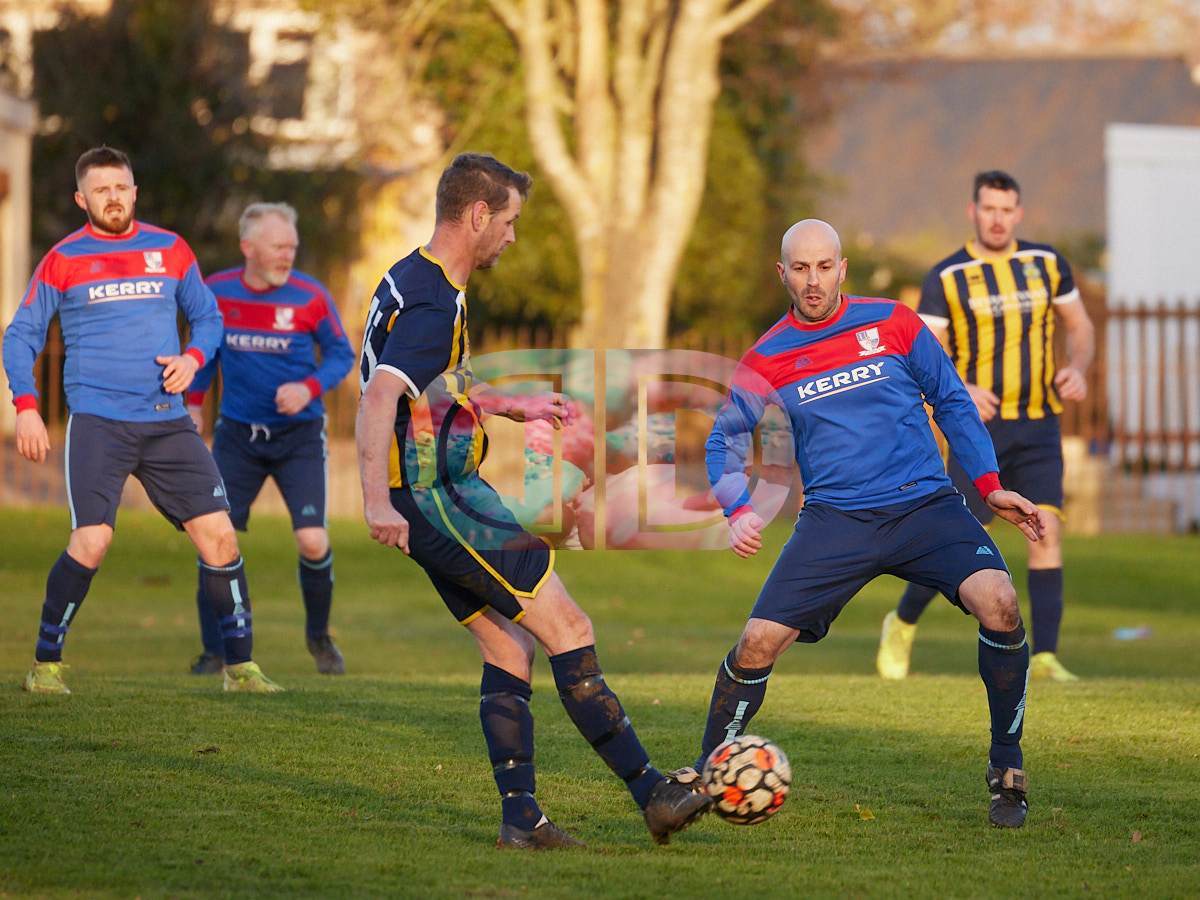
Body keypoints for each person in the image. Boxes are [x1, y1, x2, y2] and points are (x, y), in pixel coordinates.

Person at [356, 152, 710, 848]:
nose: (512, 237)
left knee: (508, 645)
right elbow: (377, 398)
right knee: (568, 626)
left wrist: (509, 404)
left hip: (435, 494)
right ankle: (654, 794)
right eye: (509, 221)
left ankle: (522, 821)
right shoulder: (433, 303)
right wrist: (377, 502)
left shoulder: (419, 278)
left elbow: (435, 386)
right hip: (441, 499)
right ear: (477, 215)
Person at [675, 219, 1047, 828]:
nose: (813, 281)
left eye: (824, 267)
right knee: (758, 642)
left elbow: (952, 400)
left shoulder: (894, 322)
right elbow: (724, 440)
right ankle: (706, 770)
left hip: (924, 506)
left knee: (1000, 601)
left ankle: (1006, 768)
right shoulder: (766, 357)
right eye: (801, 268)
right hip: (835, 520)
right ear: (783, 274)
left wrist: (989, 485)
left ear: (842, 269)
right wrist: (736, 508)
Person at [3, 146, 281, 695]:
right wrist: (27, 407)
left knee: (221, 538)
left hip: (166, 422)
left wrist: (193, 359)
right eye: (100, 190)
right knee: (91, 541)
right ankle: (45, 665)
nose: (113, 198)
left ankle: (240, 669)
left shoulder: (170, 249)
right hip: (99, 422)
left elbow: (207, 317)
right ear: (81, 199)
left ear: (135, 192)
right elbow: (21, 336)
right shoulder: (63, 259)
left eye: (121, 187)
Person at [877, 171, 1095, 683]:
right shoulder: (947, 276)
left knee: (1046, 531)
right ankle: (902, 623)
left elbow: (1080, 326)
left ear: (1019, 213)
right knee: (957, 539)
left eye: (1006, 209)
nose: (998, 219)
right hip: (978, 431)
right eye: (989, 209)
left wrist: (1078, 368)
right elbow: (924, 351)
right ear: (973, 211)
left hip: (1039, 425)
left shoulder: (1046, 263)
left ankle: (1045, 657)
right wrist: (965, 388)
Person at [186, 202, 355, 676]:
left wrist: (309, 388)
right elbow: (205, 354)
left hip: (298, 437)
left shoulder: (310, 296)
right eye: (278, 246)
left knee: (313, 540)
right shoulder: (217, 292)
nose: (288, 255)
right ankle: (215, 651)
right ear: (248, 248)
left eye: (292, 247)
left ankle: (319, 638)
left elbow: (342, 354)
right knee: (213, 538)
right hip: (237, 437)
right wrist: (193, 405)